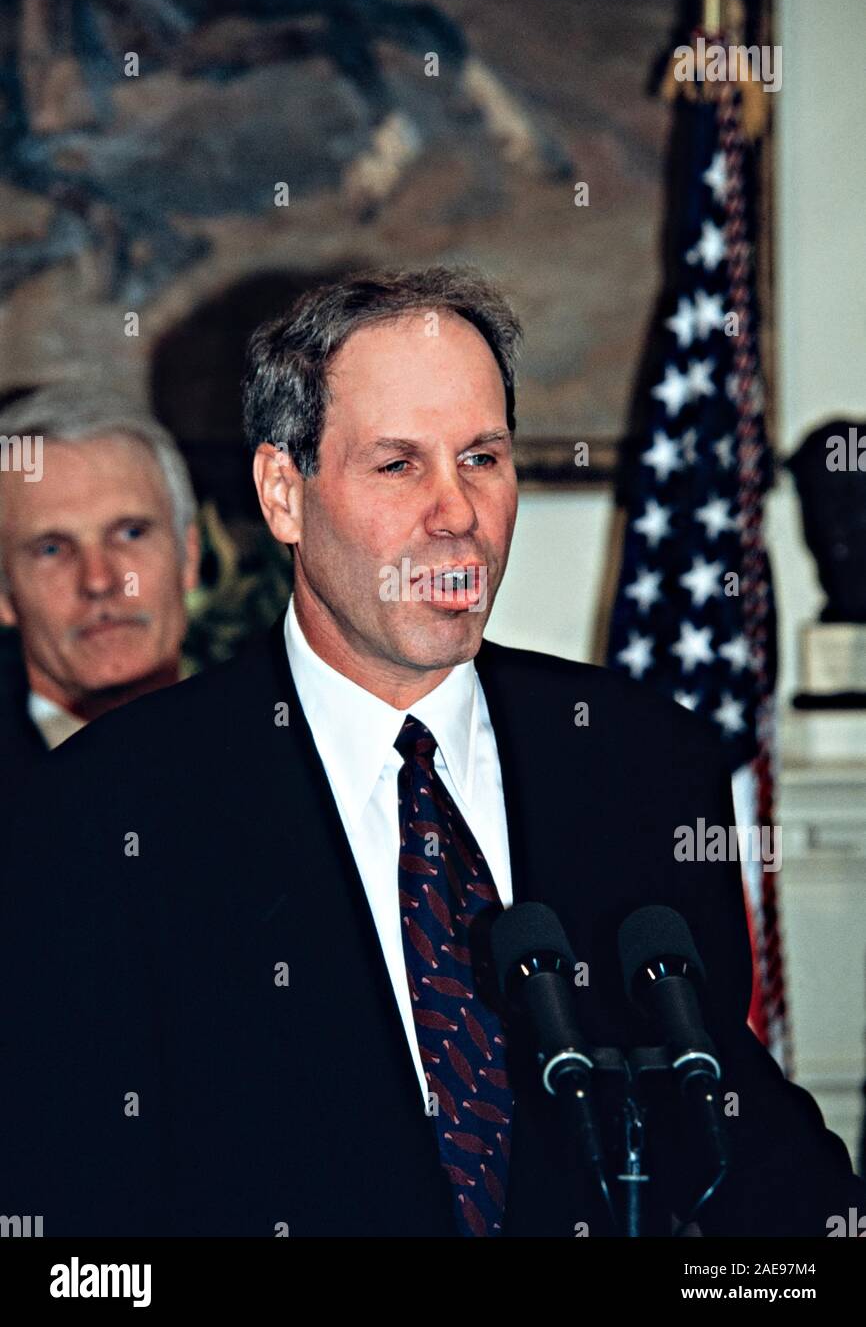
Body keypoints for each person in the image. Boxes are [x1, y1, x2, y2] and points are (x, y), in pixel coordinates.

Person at [0, 267, 863, 1238]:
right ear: (284, 493)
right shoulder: (111, 808)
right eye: (398, 464)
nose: (454, 513)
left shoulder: (637, 760)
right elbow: (75, 1192)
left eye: (482, 458)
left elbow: (728, 1128)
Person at [0, 390, 199, 791]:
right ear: (4, 595)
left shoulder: (288, 762)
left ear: (188, 556)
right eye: (52, 549)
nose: (98, 581)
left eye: (130, 533)